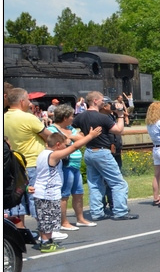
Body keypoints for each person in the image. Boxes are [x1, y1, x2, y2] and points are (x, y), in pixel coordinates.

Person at [33, 128, 102, 252]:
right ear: (58, 145)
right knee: (48, 218)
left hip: (44, 192)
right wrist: (90, 136)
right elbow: (74, 147)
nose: (66, 147)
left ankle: (47, 240)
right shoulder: (52, 155)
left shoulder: (43, 153)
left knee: (47, 218)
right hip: (47, 193)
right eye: (64, 145)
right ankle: (46, 243)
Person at [72, 92, 138, 221]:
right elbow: (119, 130)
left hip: (89, 151)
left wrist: (82, 137)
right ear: (95, 101)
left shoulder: (81, 116)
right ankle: (120, 211)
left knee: (95, 184)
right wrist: (120, 116)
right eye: (102, 100)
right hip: (102, 153)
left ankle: (97, 212)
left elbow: (69, 128)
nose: (104, 103)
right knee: (118, 183)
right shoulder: (102, 118)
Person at [45, 105, 94, 230]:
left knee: (78, 193)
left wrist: (70, 137)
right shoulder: (52, 129)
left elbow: (81, 139)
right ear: (65, 117)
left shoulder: (70, 128)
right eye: (71, 116)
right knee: (64, 194)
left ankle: (80, 218)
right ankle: (64, 221)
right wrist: (72, 138)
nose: (73, 118)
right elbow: (63, 142)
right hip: (65, 165)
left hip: (75, 164)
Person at [4, 88, 49, 222]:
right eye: (28, 100)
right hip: (32, 162)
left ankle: (21, 229)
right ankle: (44, 231)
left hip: (14, 164)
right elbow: (48, 136)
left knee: (18, 200)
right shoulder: (28, 118)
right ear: (22, 101)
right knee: (37, 198)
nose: (30, 103)